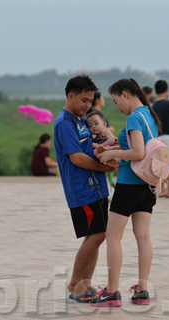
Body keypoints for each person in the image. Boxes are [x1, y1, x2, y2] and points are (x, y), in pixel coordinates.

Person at [90, 78, 162, 307]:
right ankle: (142, 290)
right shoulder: (148, 115)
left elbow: (138, 152)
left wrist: (113, 155)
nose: (117, 106)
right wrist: (115, 146)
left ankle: (111, 292)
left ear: (125, 94)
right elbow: (138, 148)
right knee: (143, 237)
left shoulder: (133, 117)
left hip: (129, 184)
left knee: (113, 237)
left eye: (116, 100)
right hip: (148, 186)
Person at [53, 75, 114, 303]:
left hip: (96, 187)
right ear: (70, 96)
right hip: (82, 189)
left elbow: (88, 148)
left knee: (95, 236)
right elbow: (77, 158)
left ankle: (86, 284)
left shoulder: (80, 120)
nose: (88, 105)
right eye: (84, 100)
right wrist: (105, 167)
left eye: (90, 100)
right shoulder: (65, 123)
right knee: (98, 234)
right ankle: (75, 284)